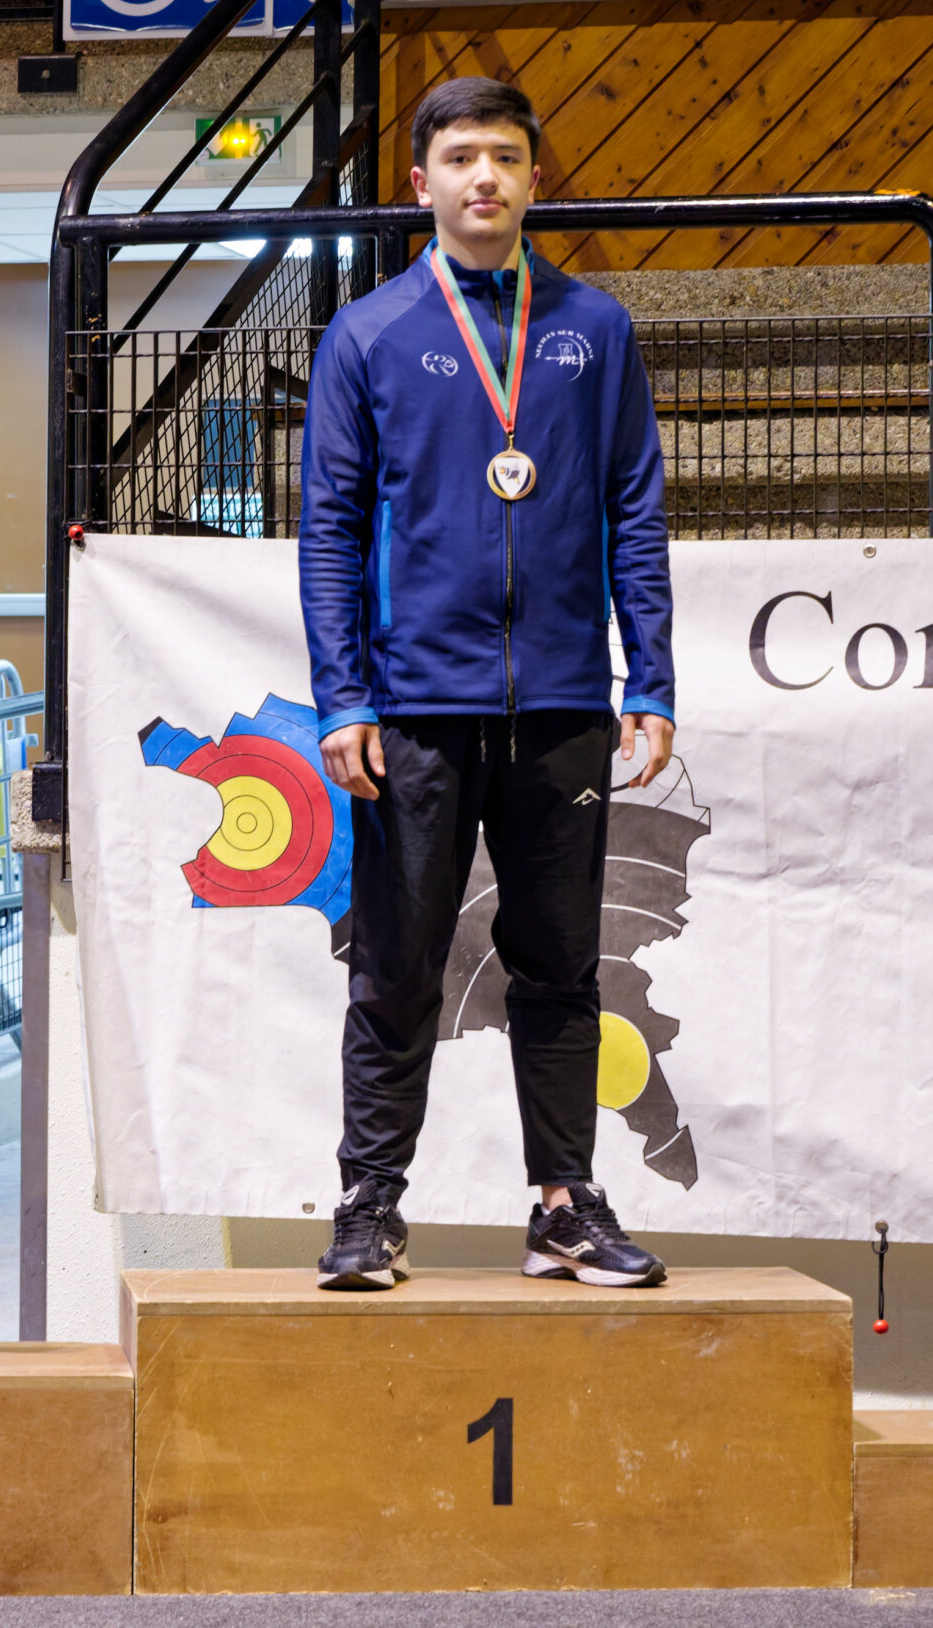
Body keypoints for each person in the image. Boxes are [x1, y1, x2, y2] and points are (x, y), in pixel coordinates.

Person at [298, 77, 675, 1292]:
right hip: (413, 707)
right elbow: (329, 530)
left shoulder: (593, 329)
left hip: (560, 705)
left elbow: (634, 510)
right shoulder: (367, 334)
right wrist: (345, 697)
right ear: (420, 182)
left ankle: (563, 1204)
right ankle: (368, 1206)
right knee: (396, 963)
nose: (484, 177)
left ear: (532, 178)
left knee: (560, 965)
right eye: (460, 156)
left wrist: (651, 674)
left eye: (505, 157)